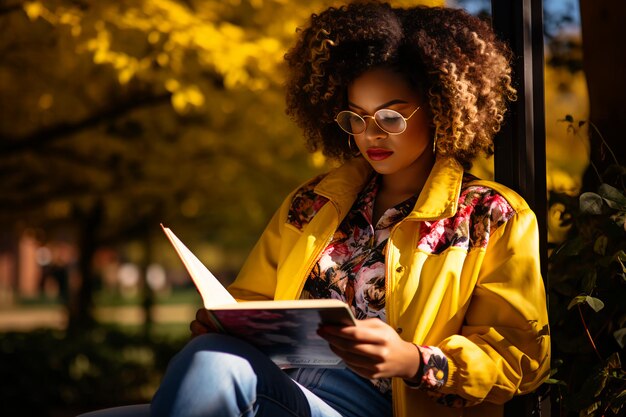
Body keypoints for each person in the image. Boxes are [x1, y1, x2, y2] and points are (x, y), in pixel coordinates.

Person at [150, 2, 550, 417]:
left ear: (440, 109)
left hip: (380, 406)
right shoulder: (311, 202)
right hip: (277, 389)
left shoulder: (492, 215)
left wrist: (414, 361)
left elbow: (520, 357)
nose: (369, 134)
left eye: (391, 117)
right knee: (205, 355)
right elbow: (249, 300)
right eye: (355, 118)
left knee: (212, 365)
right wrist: (222, 323)